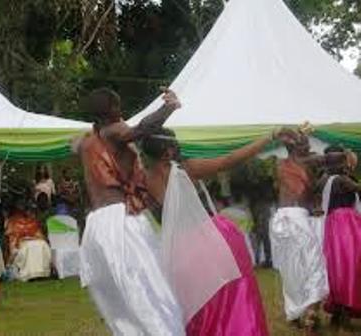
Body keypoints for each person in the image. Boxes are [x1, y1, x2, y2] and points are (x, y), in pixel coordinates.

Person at [140, 127, 279, 335]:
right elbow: (230, 160)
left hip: (177, 251)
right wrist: (269, 137)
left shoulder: (141, 180)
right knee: (230, 299)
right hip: (213, 242)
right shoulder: (186, 169)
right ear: (169, 150)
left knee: (196, 306)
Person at [73, 87, 184, 335]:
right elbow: (141, 129)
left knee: (117, 298)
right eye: (118, 105)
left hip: (96, 225)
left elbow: (74, 145)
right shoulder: (114, 131)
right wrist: (169, 107)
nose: (121, 110)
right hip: (120, 221)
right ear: (112, 109)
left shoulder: (85, 142)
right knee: (147, 287)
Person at [270, 131, 348, 329]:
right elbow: (337, 157)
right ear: (297, 147)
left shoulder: (278, 164)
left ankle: (295, 312)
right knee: (315, 267)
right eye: (304, 142)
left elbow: (302, 188)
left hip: (280, 220)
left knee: (292, 270)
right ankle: (311, 314)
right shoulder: (308, 161)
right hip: (297, 219)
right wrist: (343, 147)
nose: (308, 144)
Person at [318, 145, 361, 327]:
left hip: (332, 225)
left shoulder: (324, 180)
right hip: (346, 225)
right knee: (351, 266)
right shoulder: (342, 180)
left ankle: (338, 311)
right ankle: (345, 308)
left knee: (337, 268)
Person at [5, 181, 51, 282]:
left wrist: (33, 236)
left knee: (42, 244)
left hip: (33, 239)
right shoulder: (13, 221)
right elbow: (13, 237)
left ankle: (42, 272)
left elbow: (38, 233)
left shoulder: (32, 220)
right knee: (29, 247)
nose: (26, 210)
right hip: (21, 242)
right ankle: (29, 273)